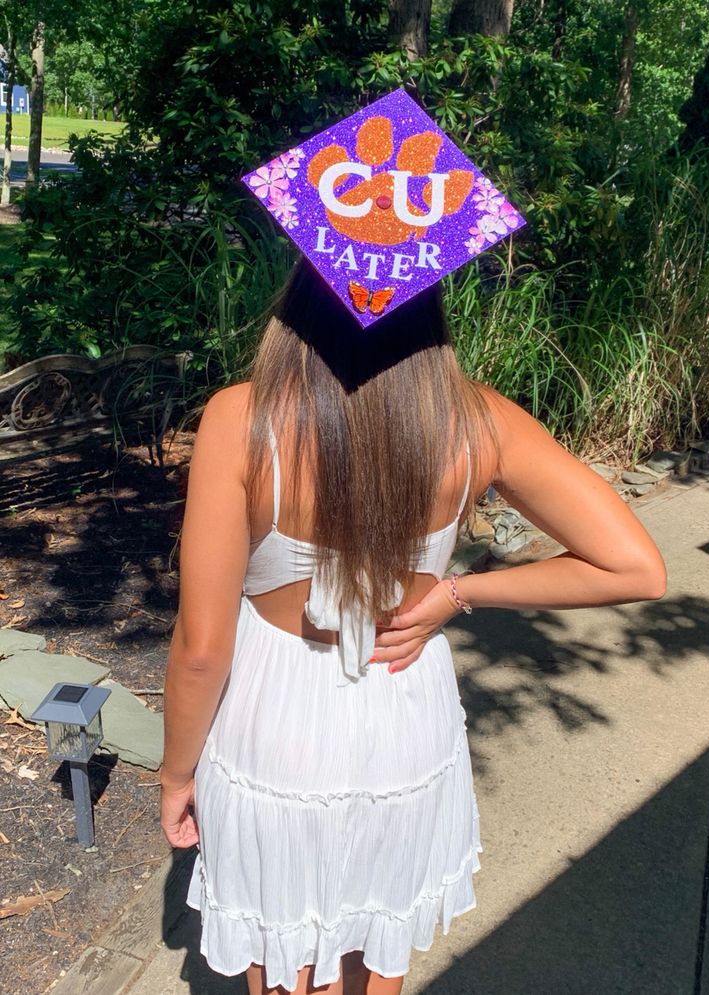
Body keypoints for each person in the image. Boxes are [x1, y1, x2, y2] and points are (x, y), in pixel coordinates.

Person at [160, 255, 666, 994]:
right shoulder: (476, 418)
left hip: (275, 716)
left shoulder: (243, 418)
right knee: (378, 936)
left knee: (286, 948)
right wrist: (456, 592)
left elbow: (202, 649)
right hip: (403, 703)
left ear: (301, 298)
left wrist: (176, 772)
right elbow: (634, 568)